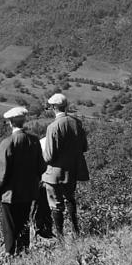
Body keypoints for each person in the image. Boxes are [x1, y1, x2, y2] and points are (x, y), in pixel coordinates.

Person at [0, 106, 46, 256]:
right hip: (29, 191)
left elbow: (1, 173)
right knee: (24, 223)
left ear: (10, 122)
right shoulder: (34, 141)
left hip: (10, 194)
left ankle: (10, 254)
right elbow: (42, 167)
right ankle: (23, 253)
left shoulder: (7, 143)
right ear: (23, 121)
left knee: (9, 226)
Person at [41, 93, 89, 240]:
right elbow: (84, 147)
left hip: (55, 173)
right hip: (72, 170)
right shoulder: (76, 123)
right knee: (70, 199)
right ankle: (76, 231)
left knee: (56, 205)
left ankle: (61, 238)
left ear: (54, 107)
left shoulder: (53, 127)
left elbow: (49, 156)